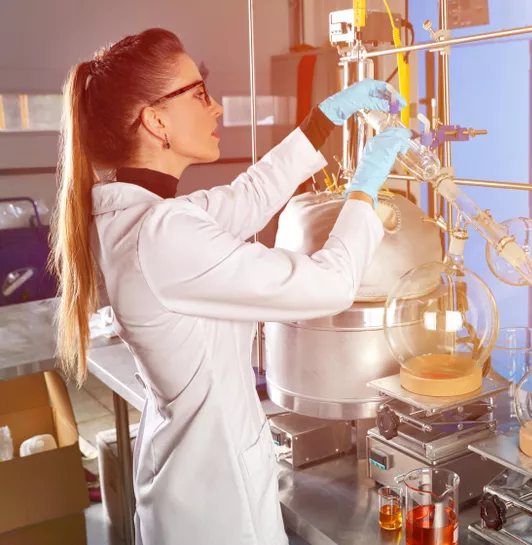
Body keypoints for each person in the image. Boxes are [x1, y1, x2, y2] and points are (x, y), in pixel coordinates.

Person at [50, 28, 411, 545]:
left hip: (187, 478)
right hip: (216, 506)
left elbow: (250, 195)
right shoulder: (164, 234)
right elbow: (331, 285)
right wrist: (365, 190)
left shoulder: (141, 214)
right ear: (156, 121)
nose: (215, 107)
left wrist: (325, 118)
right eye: (198, 94)